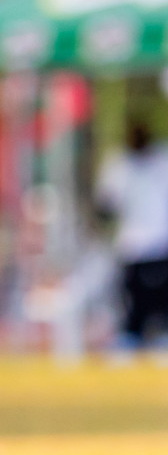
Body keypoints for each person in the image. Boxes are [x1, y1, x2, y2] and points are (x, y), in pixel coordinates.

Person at [95, 121, 168, 352]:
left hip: (159, 244)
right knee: (134, 301)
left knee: (159, 301)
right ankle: (133, 335)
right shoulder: (119, 165)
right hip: (133, 247)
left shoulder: (161, 161)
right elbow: (105, 206)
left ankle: (157, 335)